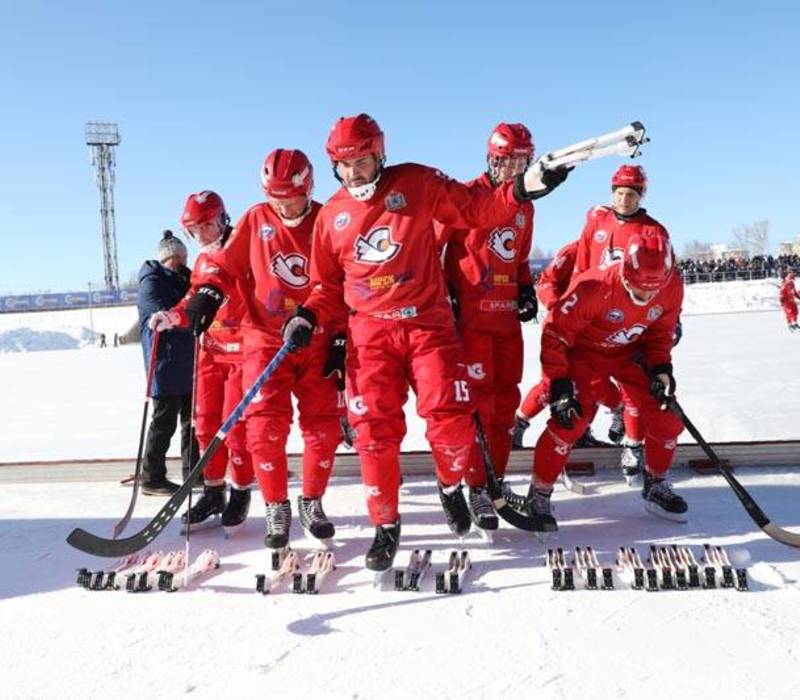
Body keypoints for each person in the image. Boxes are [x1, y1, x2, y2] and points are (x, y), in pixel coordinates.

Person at [280, 113, 570, 570]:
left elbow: (475, 209)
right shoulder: (331, 217)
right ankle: (386, 526)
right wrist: (308, 316)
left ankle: (451, 483)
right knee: (375, 433)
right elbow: (326, 286)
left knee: (453, 421)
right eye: (344, 164)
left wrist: (522, 188)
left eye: (362, 161)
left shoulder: (416, 182)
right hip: (370, 334)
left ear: (380, 154)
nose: (354, 173)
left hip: (428, 327)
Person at [180, 150, 346, 549]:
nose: (283, 205)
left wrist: (339, 338)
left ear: (308, 188)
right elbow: (225, 265)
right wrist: (206, 292)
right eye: (275, 196)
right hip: (265, 340)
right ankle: (276, 506)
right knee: (264, 428)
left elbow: (341, 280)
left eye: (290, 196)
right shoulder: (256, 219)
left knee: (322, 429)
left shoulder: (328, 220)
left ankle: (312, 501)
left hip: (315, 338)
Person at [527, 227, 686, 530]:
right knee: (571, 418)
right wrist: (558, 382)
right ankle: (539, 492)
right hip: (583, 353)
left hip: (630, 353)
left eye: (653, 291)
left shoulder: (673, 284)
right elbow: (555, 334)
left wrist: (662, 369)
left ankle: (656, 484)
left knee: (667, 417)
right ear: (626, 274)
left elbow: (660, 332)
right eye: (638, 290)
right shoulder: (592, 286)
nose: (646, 297)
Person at [440, 122, 539, 530]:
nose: (514, 170)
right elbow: (430, 247)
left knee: (504, 407)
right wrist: (442, 294)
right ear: (492, 159)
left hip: (505, 323)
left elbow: (517, 258)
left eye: (522, 162)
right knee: (477, 408)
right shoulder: (467, 197)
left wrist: (526, 288)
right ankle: (474, 486)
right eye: (507, 161)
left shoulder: (526, 206)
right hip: (471, 320)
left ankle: (493, 481)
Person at [150, 192, 255, 533]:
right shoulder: (201, 261)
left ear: (222, 219)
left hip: (242, 351)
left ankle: (240, 490)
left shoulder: (244, 248)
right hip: (210, 351)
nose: (203, 235)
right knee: (205, 425)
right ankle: (213, 491)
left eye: (208, 225)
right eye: (195, 229)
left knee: (235, 427)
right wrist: (172, 316)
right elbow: (193, 300)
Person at [512, 240, 625, 455]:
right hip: (565, 327)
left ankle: (582, 432)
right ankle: (519, 425)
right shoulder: (574, 250)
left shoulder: (618, 251)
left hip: (593, 331)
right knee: (553, 383)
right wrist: (561, 310)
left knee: (595, 383)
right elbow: (546, 282)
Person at [137, 230, 199, 495]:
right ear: (173, 257)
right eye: (182, 258)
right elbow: (167, 314)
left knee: (192, 421)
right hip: (164, 362)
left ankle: (194, 472)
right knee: (164, 421)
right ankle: (152, 477)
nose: (185, 262)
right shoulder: (152, 281)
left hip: (189, 361)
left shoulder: (186, 278)